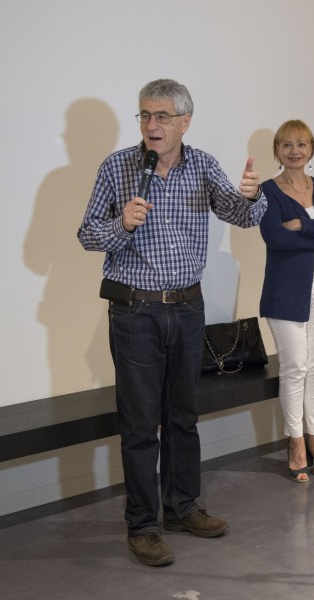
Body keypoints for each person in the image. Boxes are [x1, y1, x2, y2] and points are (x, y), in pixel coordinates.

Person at [77, 79, 266, 567]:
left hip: (186, 309)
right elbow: (87, 234)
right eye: (144, 115)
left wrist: (252, 196)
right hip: (135, 313)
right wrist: (122, 224)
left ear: (185, 121)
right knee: (141, 424)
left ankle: (182, 507)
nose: (152, 125)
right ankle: (143, 526)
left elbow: (241, 215)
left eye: (162, 116)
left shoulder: (202, 166)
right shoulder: (117, 167)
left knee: (182, 417)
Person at [259, 120, 314, 483]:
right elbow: (274, 237)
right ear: (277, 151)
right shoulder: (267, 190)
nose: (295, 151)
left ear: (311, 149)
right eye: (287, 145)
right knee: (294, 368)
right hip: (285, 292)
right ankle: (295, 444)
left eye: (302, 144)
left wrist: (302, 225)